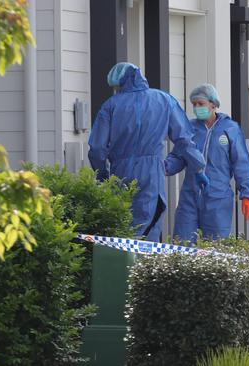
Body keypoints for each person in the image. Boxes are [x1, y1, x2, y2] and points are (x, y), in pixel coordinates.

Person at [88, 62, 206, 241]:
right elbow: (184, 139)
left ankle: (125, 267)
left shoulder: (110, 105)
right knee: (149, 225)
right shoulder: (164, 100)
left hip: (119, 172)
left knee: (122, 227)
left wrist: (102, 175)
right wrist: (198, 166)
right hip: (151, 172)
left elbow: (97, 148)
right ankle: (144, 267)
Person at [165, 83, 249, 243]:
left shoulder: (230, 129)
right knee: (182, 245)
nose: (197, 107)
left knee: (215, 248)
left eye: (201, 104)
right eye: (194, 104)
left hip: (218, 199)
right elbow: (178, 157)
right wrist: (163, 167)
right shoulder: (189, 128)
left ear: (213, 104)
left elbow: (241, 163)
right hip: (189, 198)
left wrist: (246, 194)